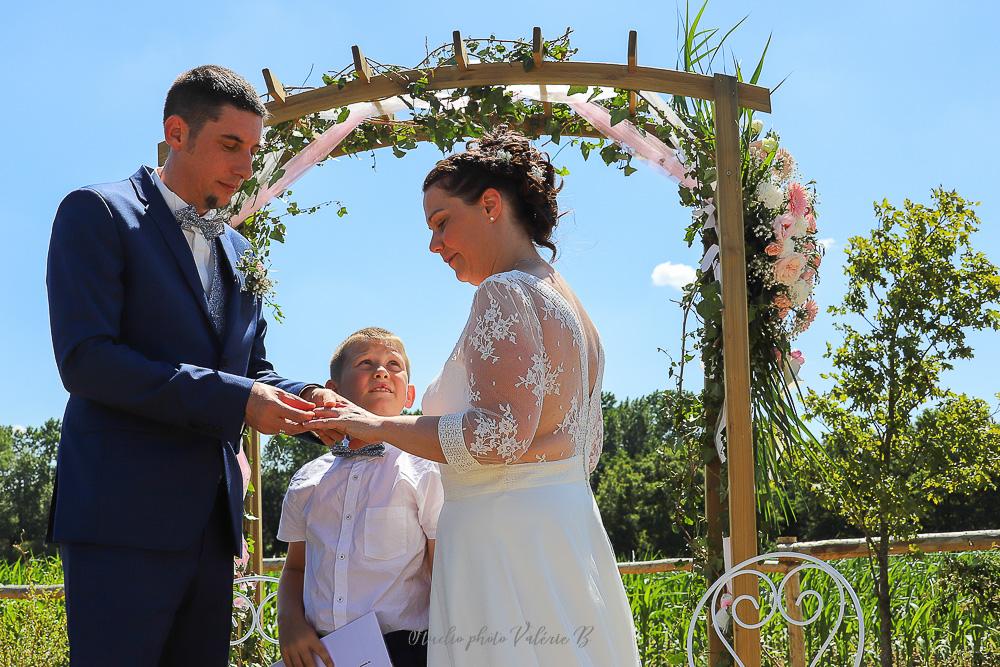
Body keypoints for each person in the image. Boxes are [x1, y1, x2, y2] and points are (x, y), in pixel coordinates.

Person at [307, 127, 641, 665]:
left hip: (500, 547)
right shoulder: (570, 305)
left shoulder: (503, 291)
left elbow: (496, 434)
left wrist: (370, 424)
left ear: (490, 205)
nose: (434, 244)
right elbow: (574, 446)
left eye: (442, 223)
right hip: (565, 535)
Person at [45, 65, 340, 666]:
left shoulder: (239, 250)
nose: (244, 167)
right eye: (230, 145)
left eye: (253, 151)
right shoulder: (97, 213)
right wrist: (236, 400)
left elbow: (251, 368)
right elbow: (87, 362)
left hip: (210, 531)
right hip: (119, 522)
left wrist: (310, 399)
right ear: (176, 132)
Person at [276, 327, 443, 667]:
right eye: (366, 362)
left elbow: (442, 572)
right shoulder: (307, 480)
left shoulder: (425, 471)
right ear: (333, 391)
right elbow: (294, 568)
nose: (381, 371)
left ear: (409, 395)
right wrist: (289, 622)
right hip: (320, 653)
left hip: (404, 652)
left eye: (393, 364)